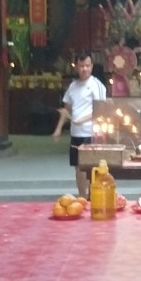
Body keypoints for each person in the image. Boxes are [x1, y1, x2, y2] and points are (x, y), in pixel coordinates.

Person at [53, 52, 107, 197]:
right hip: (75, 133)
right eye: (81, 66)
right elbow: (66, 110)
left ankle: (92, 195)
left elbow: (101, 110)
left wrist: (81, 120)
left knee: (90, 167)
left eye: (87, 66)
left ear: (92, 67)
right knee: (78, 167)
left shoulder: (97, 85)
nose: (84, 69)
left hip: (91, 133)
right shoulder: (73, 87)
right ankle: (82, 196)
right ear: (76, 67)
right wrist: (58, 129)